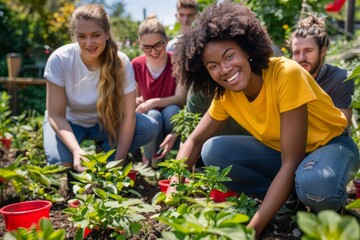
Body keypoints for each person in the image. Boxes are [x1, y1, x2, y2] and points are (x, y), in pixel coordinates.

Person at [167, 1, 360, 237]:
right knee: (214, 151)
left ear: (246, 51)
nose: (225, 69)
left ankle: (335, 217)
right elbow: (195, 141)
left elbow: (292, 161)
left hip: (332, 146)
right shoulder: (226, 95)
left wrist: (252, 229)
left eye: (229, 56)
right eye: (213, 65)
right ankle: (290, 202)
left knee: (316, 185)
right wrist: (175, 184)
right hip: (285, 155)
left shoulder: (285, 74)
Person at [43, 4, 158, 173]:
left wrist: (118, 162)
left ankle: (106, 148)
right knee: (60, 164)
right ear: (75, 36)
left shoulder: (121, 62)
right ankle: (75, 158)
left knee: (148, 127)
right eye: (82, 36)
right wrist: (76, 150)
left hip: (106, 123)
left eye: (95, 35)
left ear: (107, 33)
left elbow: (128, 117)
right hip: (69, 123)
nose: (89, 43)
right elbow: (56, 115)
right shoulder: (60, 60)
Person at [132, 15, 187, 166]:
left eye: (158, 45)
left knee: (172, 111)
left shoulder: (177, 61)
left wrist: (154, 101)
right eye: (147, 47)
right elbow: (136, 99)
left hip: (172, 115)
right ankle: (151, 160)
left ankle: (175, 156)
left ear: (166, 41)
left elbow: (181, 98)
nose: (153, 52)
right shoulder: (136, 65)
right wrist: (138, 101)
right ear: (140, 45)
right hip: (151, 114)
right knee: (153, 115)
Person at [289, 14, 354, 127]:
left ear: (323, 50)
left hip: (333, 142)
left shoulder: (340, 79)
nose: (302, 58)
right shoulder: (287, 79)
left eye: (308, 50)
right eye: (296, 53)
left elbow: (342, 127)